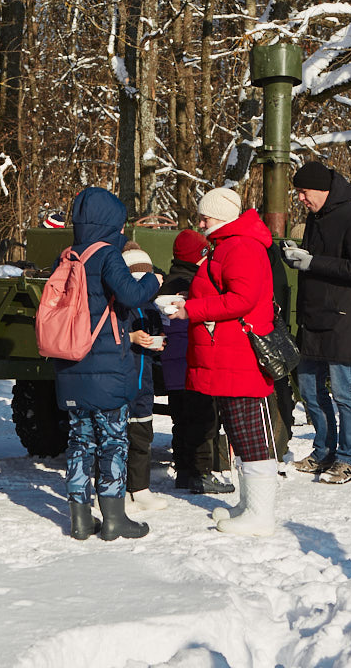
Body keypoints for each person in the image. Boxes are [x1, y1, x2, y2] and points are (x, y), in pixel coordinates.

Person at [169, 187, 279, 536]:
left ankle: (261, 514)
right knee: (240, 432)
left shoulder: (241, 245)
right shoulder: (229, 244)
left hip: (240, 354)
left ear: (225, 216)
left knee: (250, 433)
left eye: (206, 217)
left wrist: (192, 309)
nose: (201, 224)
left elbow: (242, 299)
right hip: (229, 353)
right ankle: (249, 506)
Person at [53, 187, 159, 541]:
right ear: (112, 220)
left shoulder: (67, 256)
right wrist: (151, 280)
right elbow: (130, 295)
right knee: (113, 440)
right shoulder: (107, 255)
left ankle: (80, 520)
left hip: (71, 362)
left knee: (80, 441)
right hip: (108, 367)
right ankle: (114, 519)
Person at [281, 161, 351, 485]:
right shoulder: (313, 218)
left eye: (304, 193)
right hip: (312, 317)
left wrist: (313, 261)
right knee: (309, 390)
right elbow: (316, 262)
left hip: (342, 320)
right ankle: (323, 451)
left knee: (345, 394)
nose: (301, 199)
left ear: (321, 189)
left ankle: (347, 460)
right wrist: (298, 255)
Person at [163, 229, 235, 494]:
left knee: (181, 420)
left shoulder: (166, 283)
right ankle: (202, 472)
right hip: (194, 360)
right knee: (204, 420)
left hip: (171, 365)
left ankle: (183, 471)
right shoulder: (198, 283)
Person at [120, 246, 168, 512]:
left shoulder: (150, 307)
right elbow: (108, 337)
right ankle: (119, 490)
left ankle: (140, 488)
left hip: (144, 383)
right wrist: (132, 338)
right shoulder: (119, 307)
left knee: (142, 438)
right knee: (117, 441)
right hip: (122, 383)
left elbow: (157, 334)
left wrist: (160, 343)